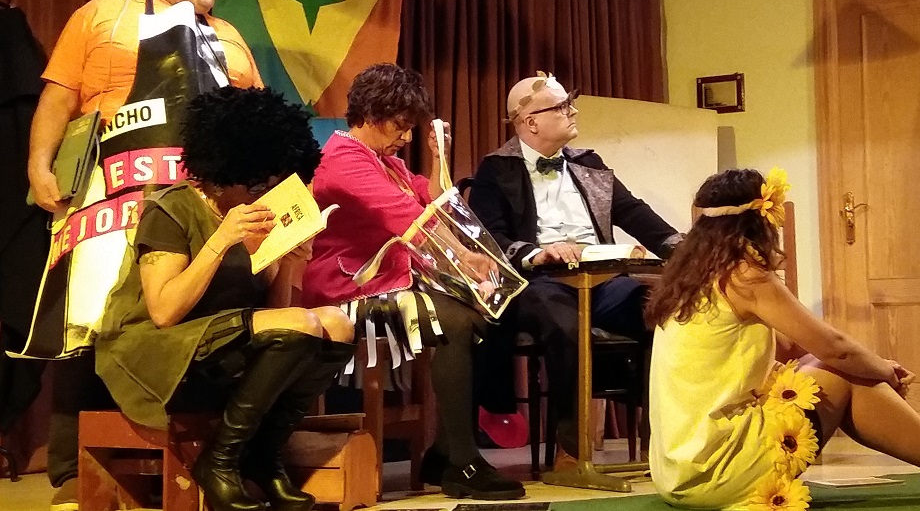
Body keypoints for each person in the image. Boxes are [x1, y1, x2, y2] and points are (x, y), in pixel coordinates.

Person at [23, 0, 261, 511]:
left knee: (196, 316)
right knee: (89, 317)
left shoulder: (231, 37)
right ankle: (71, 470)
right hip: (107, 195)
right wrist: (39, 165)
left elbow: (256, 121)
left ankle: (200, 456)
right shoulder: (99, 16)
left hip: (197, 205)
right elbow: (59, 96)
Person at [646, 168, 920, 509]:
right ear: (761, 220)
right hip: (718, 472)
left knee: (827, 367)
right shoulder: (745, 275)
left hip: (679, 475)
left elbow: (795, 347)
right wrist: (883, 370)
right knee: (842, 371)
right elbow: (836, 349)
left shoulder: (692, 278)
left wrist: (871, 366)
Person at [94, 86, 354, 511]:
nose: (263, 193)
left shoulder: (258, 216)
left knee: (336, 325)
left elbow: (280, 321)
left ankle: (264, 457)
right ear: (221, 174)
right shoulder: (171, 209)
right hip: (155, 352)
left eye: (272, 184)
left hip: (223, 349)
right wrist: (221, 240)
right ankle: (220, 462)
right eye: (257, 184)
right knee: (304, 324)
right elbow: (163, 311)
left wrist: (291, 260)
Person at [301, 64, 525, 500]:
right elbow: (408, 219)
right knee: (454, 322)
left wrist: (440, 157)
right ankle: (461, 461)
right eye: (400, 126)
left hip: (390, 283)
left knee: (488, 313)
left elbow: (436, 200)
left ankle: (445, 451)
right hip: (345, 291)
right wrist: (462, 256)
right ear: (372, 114)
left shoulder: (387, 162)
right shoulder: (342, 159)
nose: (406, 136)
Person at [469, 72, 682, 466]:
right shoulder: (496, 170)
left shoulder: (589, 163)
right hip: (539, 282)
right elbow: (488, 237)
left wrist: (686, 250)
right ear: (530, 121)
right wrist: (538, 253)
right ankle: (571, 450)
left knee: (663, 310)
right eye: (562, 106)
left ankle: (661, 444)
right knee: (566, 324)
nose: (573, 111)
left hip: (603, 280)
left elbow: (634, 212)